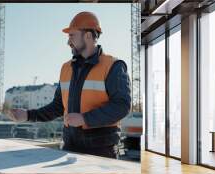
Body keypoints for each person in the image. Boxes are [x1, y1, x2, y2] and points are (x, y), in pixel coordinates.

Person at [7, 11, 131, 159]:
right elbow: (57, 107)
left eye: (72, 35)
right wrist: (27, 115)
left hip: (101, 152)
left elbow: (122, 106)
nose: (68, 42)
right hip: (70, 148)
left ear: (88, 36)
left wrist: (84, 118)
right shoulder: (67, 68)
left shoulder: (113, 66)